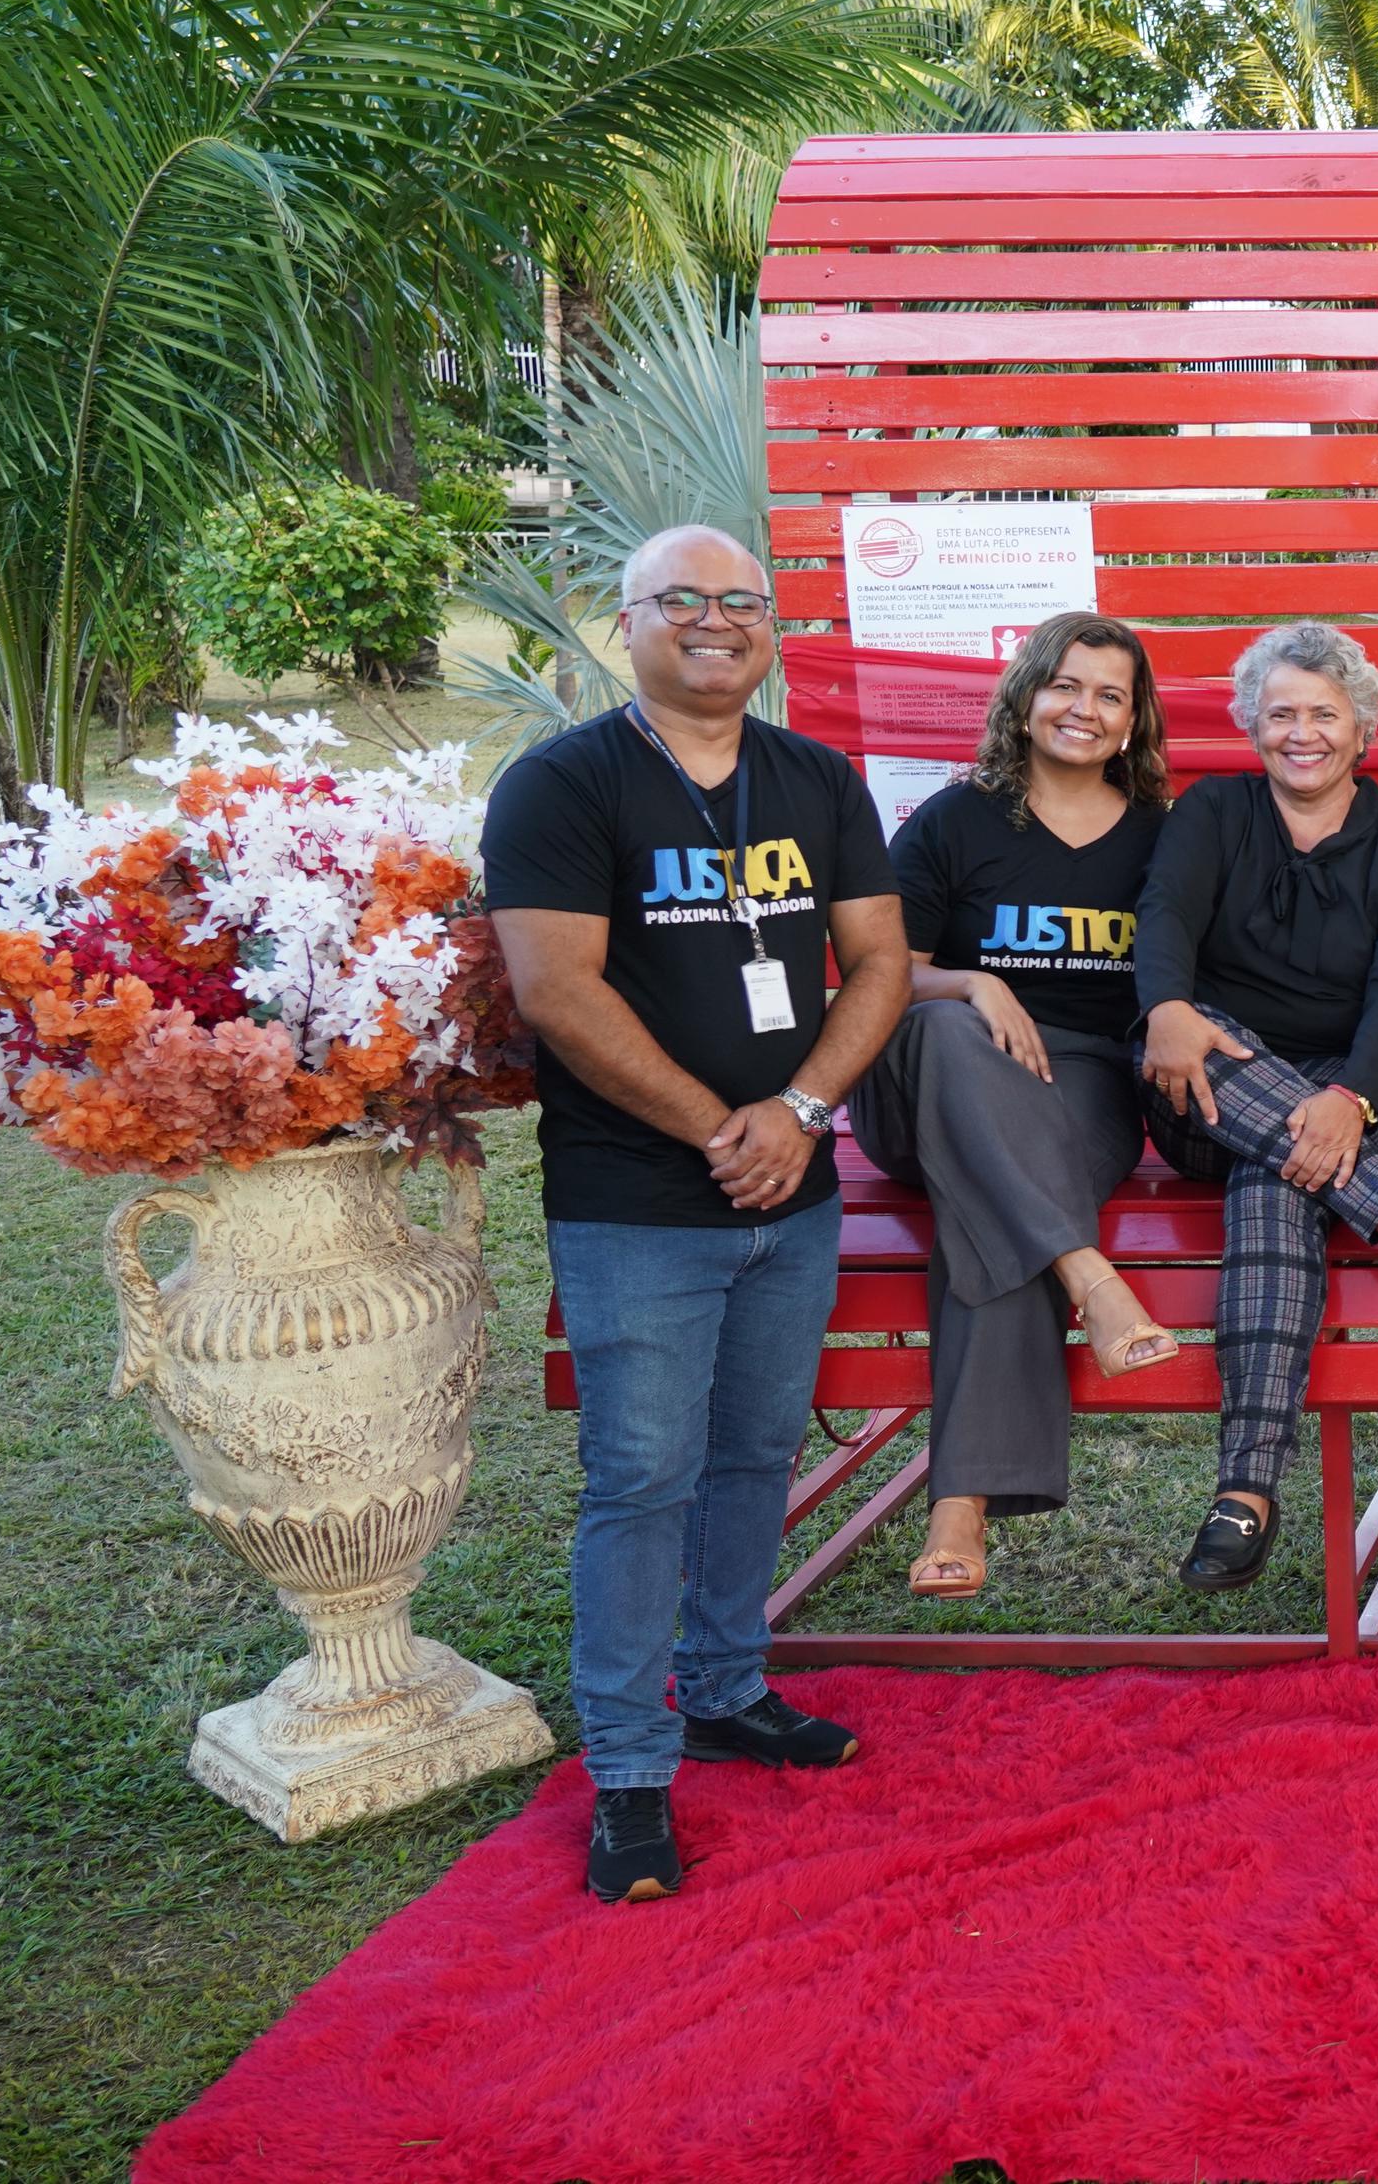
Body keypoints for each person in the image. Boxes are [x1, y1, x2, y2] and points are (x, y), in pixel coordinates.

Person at [485, 524, 909, 1905]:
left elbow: (879, 963)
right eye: (685, 602)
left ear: (770, 626)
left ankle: (726, 1687)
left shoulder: (817, 780)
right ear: (630, 622)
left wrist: (799, 1114)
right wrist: (718, 1129)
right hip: (638, 1202)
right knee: (643, 1478)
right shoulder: (562, 783)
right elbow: (556, 989)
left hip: (794, 1191)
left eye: (743, 603)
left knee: (751, 1460)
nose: (716, 622)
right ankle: (626, 1770)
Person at [1133, 622, 1378, 1597]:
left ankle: (1244, 1491)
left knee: (1275, 1174)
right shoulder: (1209, 815)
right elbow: (1162, 918)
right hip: (1217, 1084)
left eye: (1323, 713)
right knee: (1195, 1040)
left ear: (1359, 728)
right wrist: (1162, 1008)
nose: (1301, 733)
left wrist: (1348, 1099)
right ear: (1251, 724)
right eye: (1279, 712)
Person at [846, 612, 1178, 1602]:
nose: (1084, 709)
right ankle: (1090, 1275)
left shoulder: (1163, 836)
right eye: (1066, 686)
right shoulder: (955, 821)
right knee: (958, 1046)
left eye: (1109, 695)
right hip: (929, 1066)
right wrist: (971, 986)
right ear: (1026, 697)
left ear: (1131, 722)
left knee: (989, 1194)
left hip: (1082, 1083)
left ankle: (960, 1504)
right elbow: (878, 968)